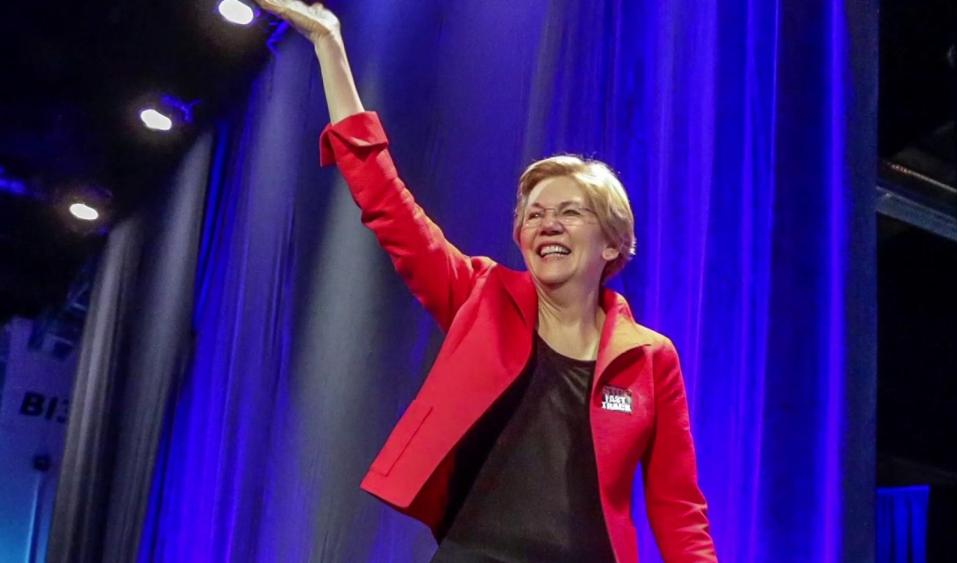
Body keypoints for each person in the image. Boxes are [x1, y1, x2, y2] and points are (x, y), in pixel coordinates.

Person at [258, 2, 717, 561]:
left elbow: (678, 508)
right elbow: (387, 202)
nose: (546, 224)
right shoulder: (482, 297)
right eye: (533, 214)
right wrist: (329, 43)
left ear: (613, 243)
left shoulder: (651, 359)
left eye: (570, 212)